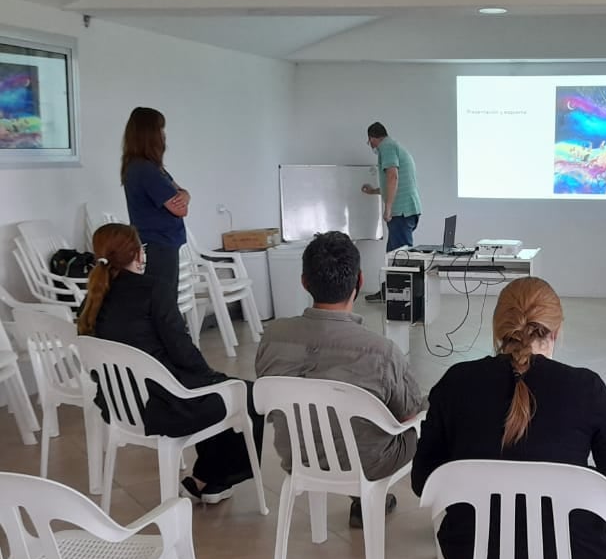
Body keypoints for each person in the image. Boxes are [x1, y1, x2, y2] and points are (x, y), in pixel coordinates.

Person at [411, 276, 606, 559]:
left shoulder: (456, 383)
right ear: (557, 331)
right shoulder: (587, 388)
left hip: (473, 554)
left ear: (497, 328)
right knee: (568, 517)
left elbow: (423, 482)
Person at [78, 223, 261, 503]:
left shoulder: (92, 297)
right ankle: (217, 480)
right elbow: (181, 349)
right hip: (164, 407)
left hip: (120, 406)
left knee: (216, 388)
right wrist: (212, 376)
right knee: (245, 393)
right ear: (138, 254)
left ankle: (204, 479)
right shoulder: (153, 289)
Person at [254, 231, 426, 528]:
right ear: (359, 281)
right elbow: (408, 413)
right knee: (427, 416)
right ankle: (375, 501)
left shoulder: (272, 337)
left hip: (298, 456)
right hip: (367, 464)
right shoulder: (381, 351)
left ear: (304, 282)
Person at [120, 107, 189, 307]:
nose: (164, 135)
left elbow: (182, 192)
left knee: (161, 299)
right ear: (150, 134)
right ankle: (168, 338)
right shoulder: (145, 171)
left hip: (159, 243)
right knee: (163, 302)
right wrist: (183, 196)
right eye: (161, 129)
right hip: (159, 244)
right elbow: (180, 208)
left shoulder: (149, 168)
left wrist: (185, 195)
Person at [360, 121, 422, 301]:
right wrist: (374, 191)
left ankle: (406, 298)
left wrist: (388, 208)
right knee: (393, 255)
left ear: (372, 138)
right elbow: (394, 183)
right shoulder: (396, 146)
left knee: (401, 257)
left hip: (401, 211)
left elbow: (392, 176)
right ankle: (389, 292)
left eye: (369, 141)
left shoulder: (386, 147)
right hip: (407, 209)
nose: (370, 145)